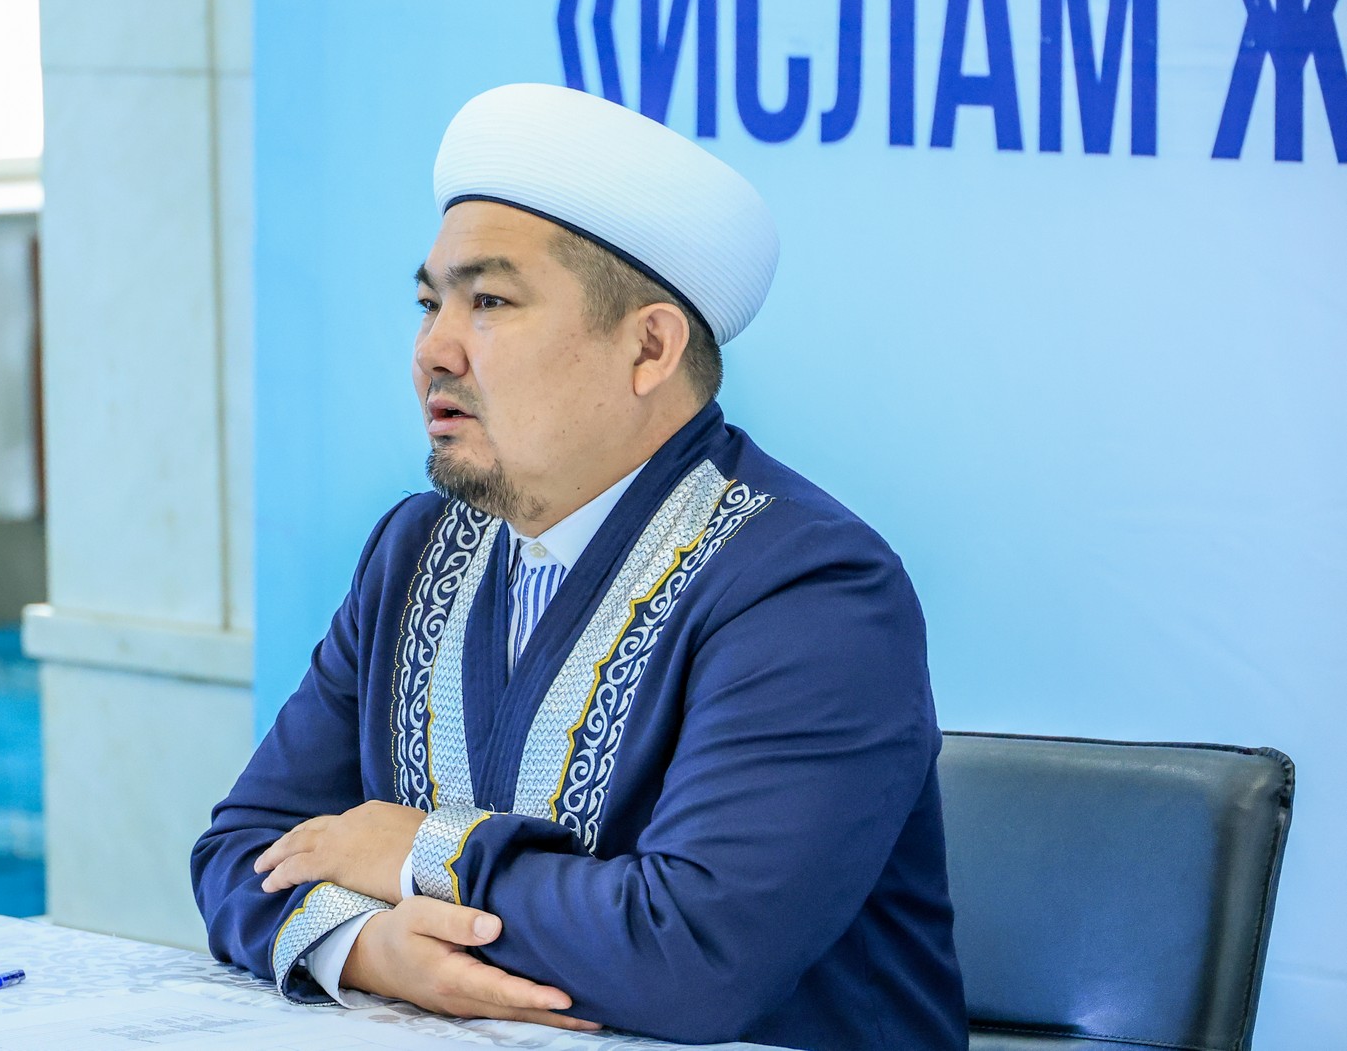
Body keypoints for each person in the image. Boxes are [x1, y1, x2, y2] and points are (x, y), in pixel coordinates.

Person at [192, 83, 967, 1050]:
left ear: (648, 346)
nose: (433, 350)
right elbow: (244, 847)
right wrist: (371, 948)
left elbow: (694, 957)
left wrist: (424, 853)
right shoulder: (416, 549)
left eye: (489, 302)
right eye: (429, 303)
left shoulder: (810, 588)